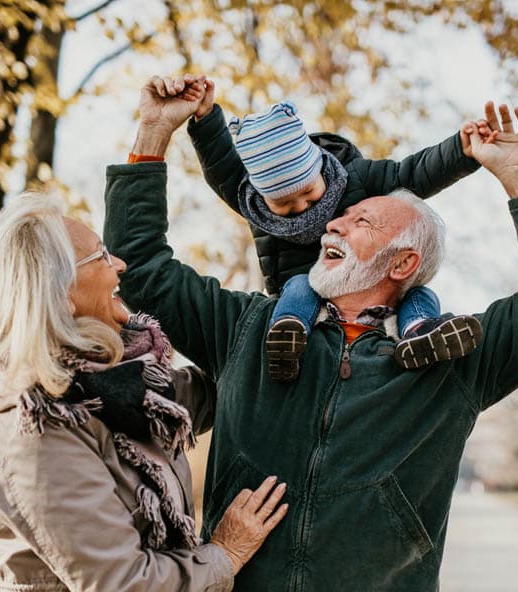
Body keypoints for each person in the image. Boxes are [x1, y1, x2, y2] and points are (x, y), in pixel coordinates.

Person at [104, 74, 518, 592]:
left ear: (405, 262)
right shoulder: (247, 328)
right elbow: (142, 269)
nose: (332, 223)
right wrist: (154, 131)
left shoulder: (453, 357)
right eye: (340, 219)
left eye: (362, 221)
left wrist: (517, 175)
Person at [0, 191, 289, 592]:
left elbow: (218, 386)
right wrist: (226, 553)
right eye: (101, 256)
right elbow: (124, 587)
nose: (121, 266)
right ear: (62, 294)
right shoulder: (42, 426)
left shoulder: (119, 392)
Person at [179, 76, 487, 381]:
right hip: (302, 301)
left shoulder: (357, 178)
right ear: (261, 198)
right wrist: (205, 118)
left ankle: (420, 333)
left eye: (308, 193)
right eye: (284, 204)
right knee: (299, 285)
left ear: (318, 167)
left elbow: (414, 173)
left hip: (366, 295)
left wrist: (460, 152)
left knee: (418, 293)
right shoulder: (255, 207)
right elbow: (221, 167)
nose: (301, 207)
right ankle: (287, 335)